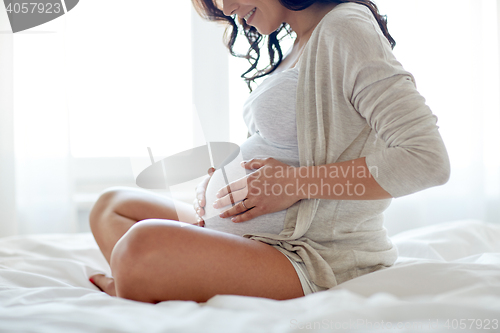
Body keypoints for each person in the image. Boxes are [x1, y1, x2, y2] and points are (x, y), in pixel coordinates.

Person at [89, 0, 450, 303]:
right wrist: (222, 180)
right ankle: (143, 280)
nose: (228, 9)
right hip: (250, 236)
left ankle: (129, 283)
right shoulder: (298, 43)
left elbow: (426, 159)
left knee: (140, 246)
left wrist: (296, 184)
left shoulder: (346, 27)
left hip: (307, 253)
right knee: (111, 206)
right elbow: (283, 149)